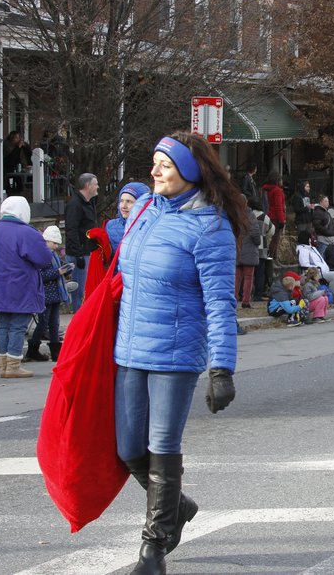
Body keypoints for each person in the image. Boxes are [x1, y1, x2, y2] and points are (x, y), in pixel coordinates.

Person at [115, 133, 245, 575]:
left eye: (164, 165)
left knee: (161, 445)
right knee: (129, 449)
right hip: (130, 348)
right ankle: (178, 505)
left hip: (174, 353)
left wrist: (222, 367)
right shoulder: (146, 212)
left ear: (188, 172)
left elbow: (220, 304)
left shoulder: (210, 226)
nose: (154, 172)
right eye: (153, 162)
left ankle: (153, 551)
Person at [0, 196, 52, 378]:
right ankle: (13, 365)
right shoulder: (26, 232)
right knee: (18, 325)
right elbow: (44, 258)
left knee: (4, 324)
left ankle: (4, 365)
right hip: (21, 284)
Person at [27, 225, 74, 363]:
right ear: (46, 241)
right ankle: (33, 348)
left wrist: (67, 270)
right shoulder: (42, 255)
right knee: (44, 322)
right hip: (45, 295)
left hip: (54, 295)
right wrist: (58, 272)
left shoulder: (53, 255)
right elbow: (40, 275)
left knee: (54, 323)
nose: (56, 246)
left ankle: (55, 351)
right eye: (54, 243)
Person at [64, 172, 99, 312]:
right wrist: (78, 254)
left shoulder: (87, 203)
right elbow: (71, 230)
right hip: (79, 254)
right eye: (96, 184)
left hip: (86, 251)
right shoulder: (75, 205)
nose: (98, 187)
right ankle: (78, 318)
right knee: (78, 290)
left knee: (84, 289)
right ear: (87, 186)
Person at [236, 197, 266, 309]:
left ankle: (234, 299)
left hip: (237, 249)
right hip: (249, 250)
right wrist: (257, 242)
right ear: (246, 202)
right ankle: (245, 301)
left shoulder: (234, 214)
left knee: (237, 277)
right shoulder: (250, 215)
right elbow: (255, 232)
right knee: (249, 277)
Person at [296, 229, 334, 297]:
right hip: (316, 272)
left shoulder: (312, 248)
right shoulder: (303, 250)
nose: (311, 240)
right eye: (310, 238)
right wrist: (316, 269)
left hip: (323, 271)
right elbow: (304, 264)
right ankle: (329, 297)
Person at [105, 182, 151, 254]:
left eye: (129, 201)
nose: (124, 206)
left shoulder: (151, 227)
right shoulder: (110, 226)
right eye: (121, 201)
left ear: (142, 204)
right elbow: (106, 258)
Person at [262, 171, 285, 260]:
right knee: (275, 239)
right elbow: (278, 207)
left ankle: (273, 259)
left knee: (273, 238)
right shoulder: (277, 191)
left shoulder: (267, 189)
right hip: (276, 217)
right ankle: (272, 258)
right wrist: (281, 220)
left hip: (269, 216)